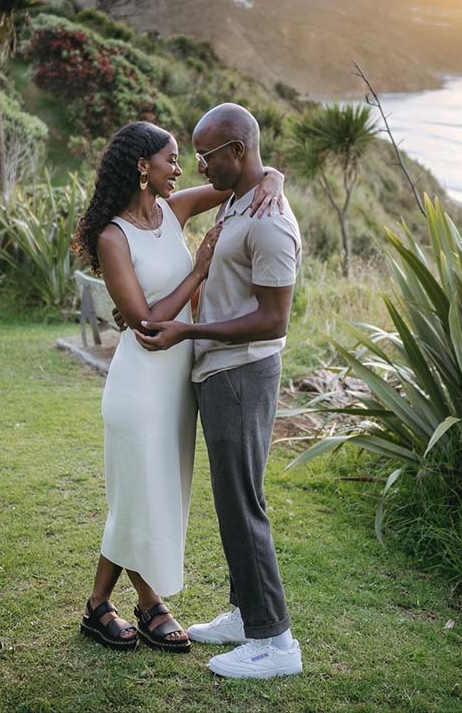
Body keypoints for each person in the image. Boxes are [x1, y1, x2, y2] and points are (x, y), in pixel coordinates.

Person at [70, 120, 284, 654]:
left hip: (179, 385)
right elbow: (144, 325)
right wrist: (199, 271)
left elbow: (242, 176)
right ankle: (145, 603)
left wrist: (275, 179)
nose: (181, 169)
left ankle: (103, 606)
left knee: (158, 494)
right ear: (144, 166)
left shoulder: (173, 208)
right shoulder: (112, 236)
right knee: (139, 495)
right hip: (140, 387)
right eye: (171, 159)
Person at [136, 103, 304, 679]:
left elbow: (273, 320)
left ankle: (276, 642)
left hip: (242, 371)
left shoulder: (270, 220)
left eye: (206, 156)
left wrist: (190, 329)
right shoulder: (240, 199)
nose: (199, 166)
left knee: (243, 502)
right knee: (232, 500)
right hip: (220, 371)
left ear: (236, 151)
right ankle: (245, 611)